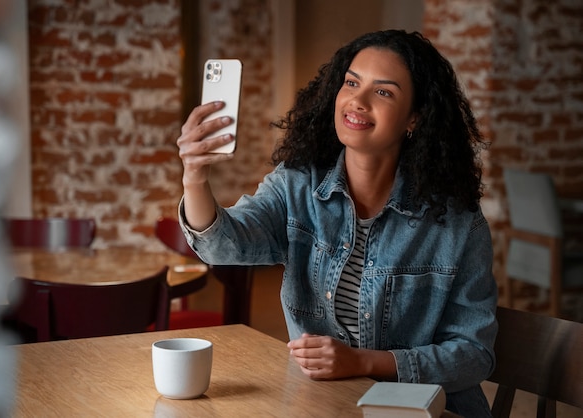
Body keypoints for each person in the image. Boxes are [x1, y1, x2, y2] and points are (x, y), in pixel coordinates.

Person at [176, 30, 498, 417]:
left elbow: (473, 355)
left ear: (415, 117)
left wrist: (363, 362)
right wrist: (194, 177)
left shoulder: (458, 223)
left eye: (383, 92)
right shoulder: (297, 185)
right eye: (351, 82)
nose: (357, 101)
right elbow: (223, 246)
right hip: (326, 406)